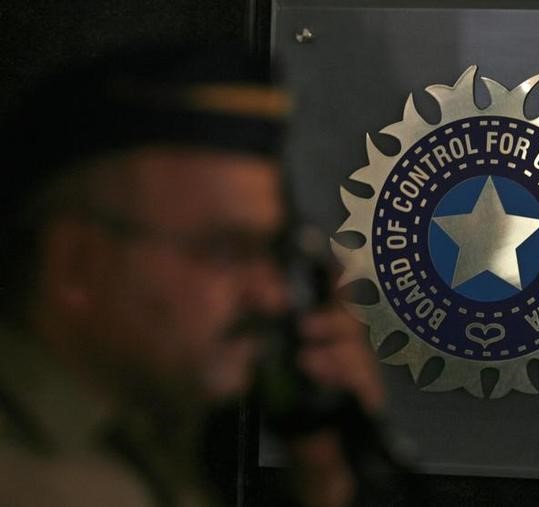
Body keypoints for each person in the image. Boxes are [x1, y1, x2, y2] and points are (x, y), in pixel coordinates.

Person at [0, 44, 384, 507]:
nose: (271, 296)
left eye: (270, 251)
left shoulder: (138, 438)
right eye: (223, 250)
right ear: (77, 263)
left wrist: (326, 478)